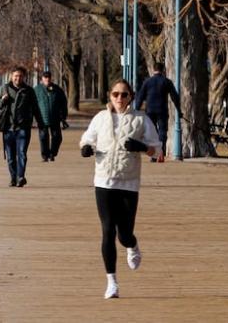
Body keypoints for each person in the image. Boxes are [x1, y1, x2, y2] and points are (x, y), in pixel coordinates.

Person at [80, 78, 160, 299]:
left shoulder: (141, 120)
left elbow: (159, 152)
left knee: (123, 234)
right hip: (104, 181)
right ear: (109, 95)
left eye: (124, 95)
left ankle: (132, 245)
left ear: (131, 97)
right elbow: (87, 138)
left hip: (129, 182)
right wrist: (86, 147)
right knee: (107, 231)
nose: (119, 98)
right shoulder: (100, 118)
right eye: (115, 94)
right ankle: (111, 282)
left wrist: (142, 147)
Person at [0, 66, 42, 187]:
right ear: (11, 76)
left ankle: (20, 177)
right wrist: (3, 100)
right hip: (8, 128)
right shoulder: (4, 88)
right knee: (10, 157)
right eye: (15, 76)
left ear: (23, 77)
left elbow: (35, 107)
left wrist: (41, 123)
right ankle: (13, 178)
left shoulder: (29, 91)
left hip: (23, 128)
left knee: (22, 154)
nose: (18, 78)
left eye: (20, 76)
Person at [133, 62, 181, 161]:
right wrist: (178, 110)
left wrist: (136, 110)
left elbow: (140, 97)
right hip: (162, 110)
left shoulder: (147, 82)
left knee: (151, 132)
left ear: (153, 69)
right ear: (163, 70)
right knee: (162, 131)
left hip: (150, 110)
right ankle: (161, 152)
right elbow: (174, 97)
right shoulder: (166, 81)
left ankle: (153, 155)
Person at [34, 71, 69, 162]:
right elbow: (32, 104)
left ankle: (52, 153)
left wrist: (64, 116)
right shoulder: (37, 90)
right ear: (42, 79)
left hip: (55, 118)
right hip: (42, 118)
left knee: (57, 137)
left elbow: (63, 103)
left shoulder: (57, 90)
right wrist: (33, 117)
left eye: (48, 77)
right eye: (45, 77)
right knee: (43, 137)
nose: (47, 79)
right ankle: (45, 155)